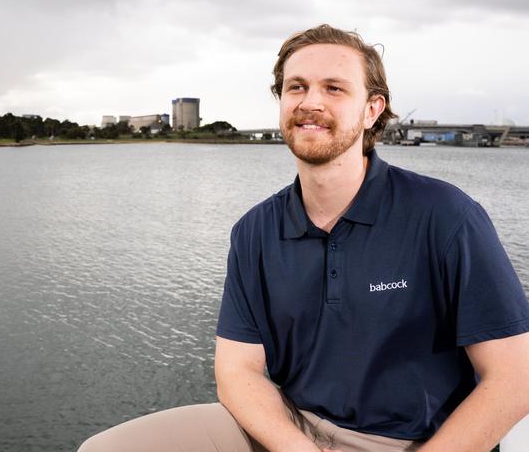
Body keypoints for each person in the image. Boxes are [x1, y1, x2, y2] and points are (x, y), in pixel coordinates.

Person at [78, 24, 529, 452]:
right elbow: (238, 371)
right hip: (290, 427)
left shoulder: (445, 216)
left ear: (372, 110)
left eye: (334, 88)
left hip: (410, 440)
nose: (310, 101)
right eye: (296, 87)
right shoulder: (255, 231)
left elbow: (514, 376)